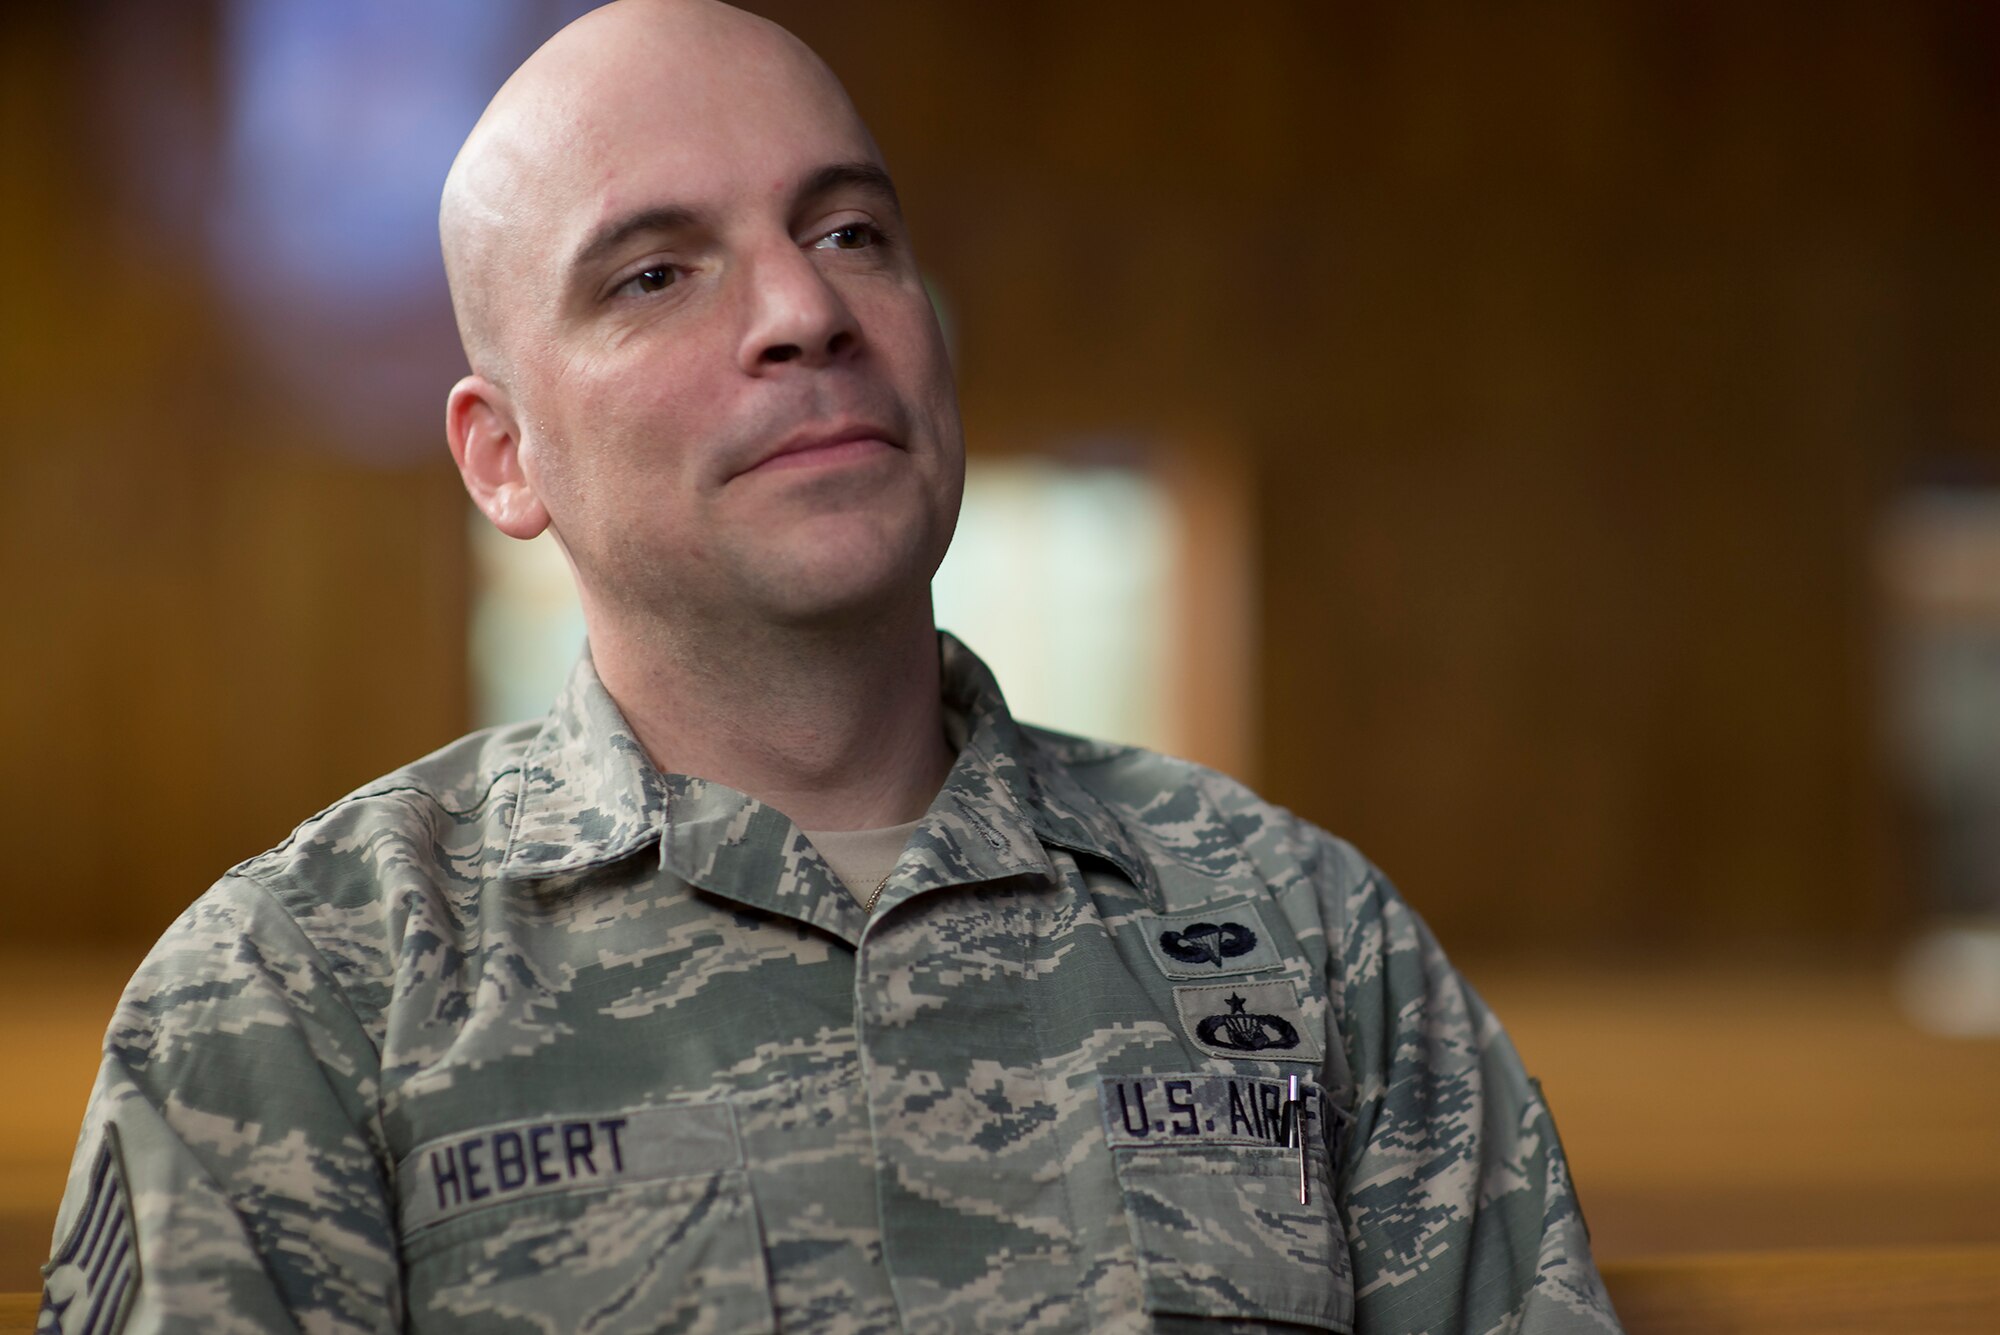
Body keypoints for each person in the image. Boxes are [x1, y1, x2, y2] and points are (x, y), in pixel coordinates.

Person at [40, 2, 1623, 1331]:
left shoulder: (1310, 944)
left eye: (850, 230)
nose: (806, 308)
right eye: (656, 272)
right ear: (504, 456)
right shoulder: (295, 1002)